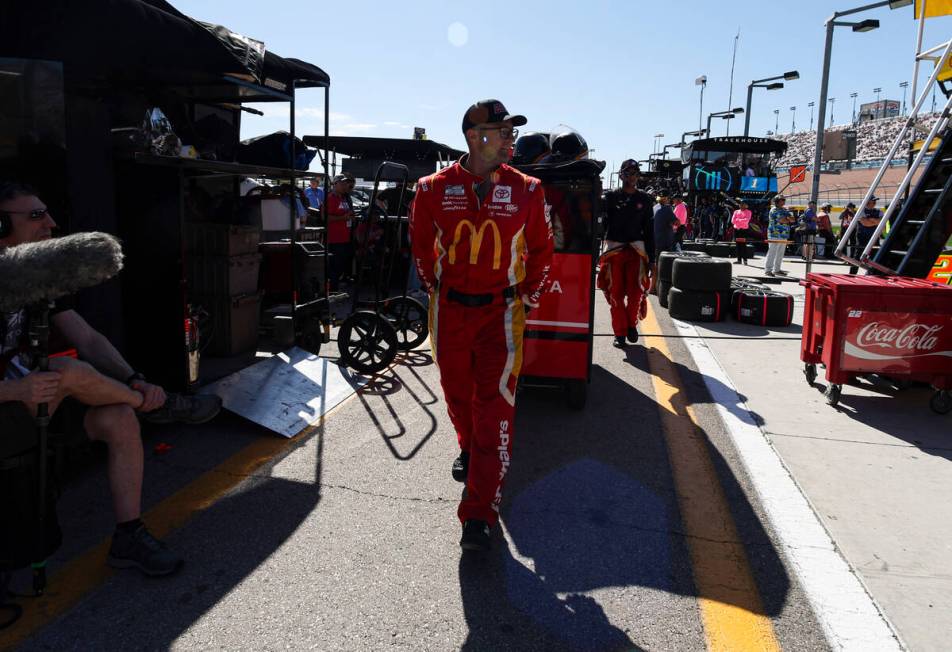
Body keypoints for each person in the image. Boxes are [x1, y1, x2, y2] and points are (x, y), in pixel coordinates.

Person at [0, 181, 222, 576]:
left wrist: (134, 378)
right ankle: (161, 407)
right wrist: (15, 388)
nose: (50, 223)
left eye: (47, 212)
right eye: (36, 215)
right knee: (64, 371)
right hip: (9, 399)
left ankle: (128, 535)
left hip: (30, 401)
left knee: (119, 417)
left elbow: (87, 337)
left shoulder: (35, 277)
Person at [409, 99, 552, 552]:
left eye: (512, 131)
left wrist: (527, 297)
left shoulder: (530, 189)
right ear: (475, 137)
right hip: (449, 313)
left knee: (493, 412)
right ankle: (467, 448)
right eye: (502, 130)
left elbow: (544, 250)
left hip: (501, 316)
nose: (511, 138)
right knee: (457, 395)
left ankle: (478, 512)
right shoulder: (431, 188)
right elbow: (421, 249)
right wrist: (435, 289)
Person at [599, 159, 655, 348]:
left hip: (637, 252)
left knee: (635, 294)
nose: (632, 176)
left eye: (635, 173)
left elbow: (649, 230)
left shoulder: (645, 199)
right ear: (621, 175)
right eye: (628, 173)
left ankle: (631, 325)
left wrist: (652, 260)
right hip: (614, 252)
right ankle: (620, 333)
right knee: (615, 295)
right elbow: (600, 225)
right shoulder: (610, 198)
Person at [325, 173, 355, 290]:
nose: (345, 185)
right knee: (334, 266)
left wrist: (351, 217)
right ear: (335, 184)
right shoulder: (330, 198)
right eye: (342, 183)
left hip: (345, 238)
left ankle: (334, 288)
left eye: (346, 183)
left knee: (340, 265)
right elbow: (325, 218)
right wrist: (344, 218)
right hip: (334, 239)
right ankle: (331, 290)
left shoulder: (343, 198)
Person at [765, 194, 794, 276]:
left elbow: (792, 220)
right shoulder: (774, 210)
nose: (784, 201)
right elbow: (782, 220)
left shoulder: (784, 210)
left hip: (784, 235)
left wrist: (787, 217)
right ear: (777, 201)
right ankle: (768, 270)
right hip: (774, 234)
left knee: (780, 254)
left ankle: (777, 270)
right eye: (782, 200)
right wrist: (787, 219)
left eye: (784, 200)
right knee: (772, 253)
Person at [731, 200, 753, 265]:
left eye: (743, 204)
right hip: (736, 230)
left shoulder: (748, 212)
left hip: (744, 230)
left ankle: (745, 260)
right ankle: (739, 260)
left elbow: (746, 221)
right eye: (740, 204)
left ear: (746, 205)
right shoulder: (736, 211)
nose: (741, 205)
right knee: (738, 245)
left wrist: (737, 220)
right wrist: (741, 220)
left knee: (743, 245)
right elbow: (732, 221)